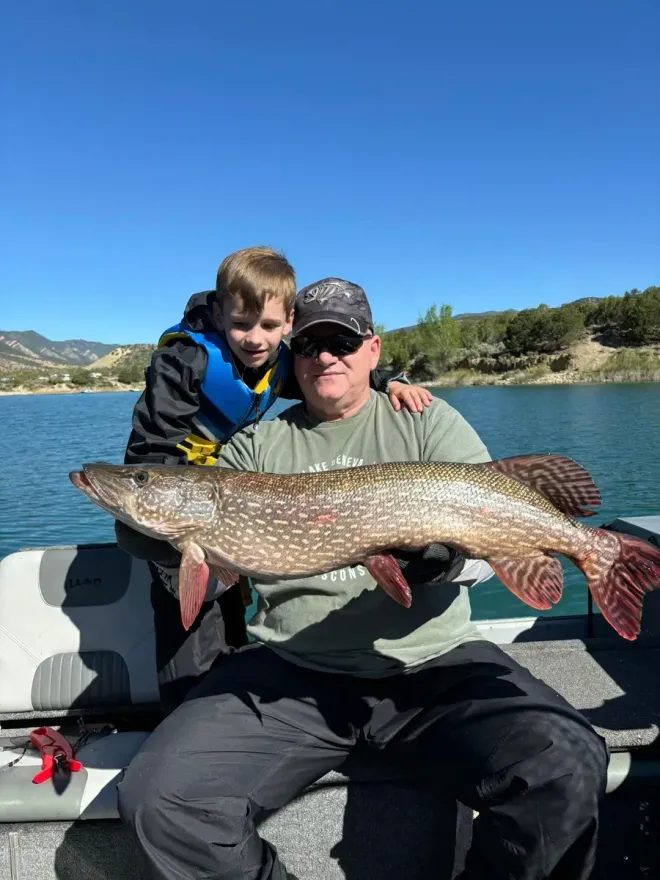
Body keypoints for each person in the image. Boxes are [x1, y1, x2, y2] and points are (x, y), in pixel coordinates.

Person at [117, 277, 608, 880]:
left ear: (372, 351)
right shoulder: (252, 448)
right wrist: (161, 542)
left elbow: (494, 550)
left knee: (569, 764)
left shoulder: (428, 423)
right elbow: (215, 576)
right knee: (158, 802)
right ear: (291, 356)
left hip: (435, 665)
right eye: (309, 343)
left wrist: (444, 563)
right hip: (293, 671)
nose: (325, 356)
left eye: (342, 343)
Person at [117, 247, 433, 712]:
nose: (253, 338)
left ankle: (224, 703)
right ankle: (188, 716)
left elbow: (341, 372)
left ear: (287, 323)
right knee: (188, 625)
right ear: (220, 313)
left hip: (231, 501)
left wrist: (391, 382)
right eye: (241, 324)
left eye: (267, 326)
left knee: (230, 614)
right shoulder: (184, 361)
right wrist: (158, 518)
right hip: (187, 500)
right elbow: (150, 448)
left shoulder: (279, 363)